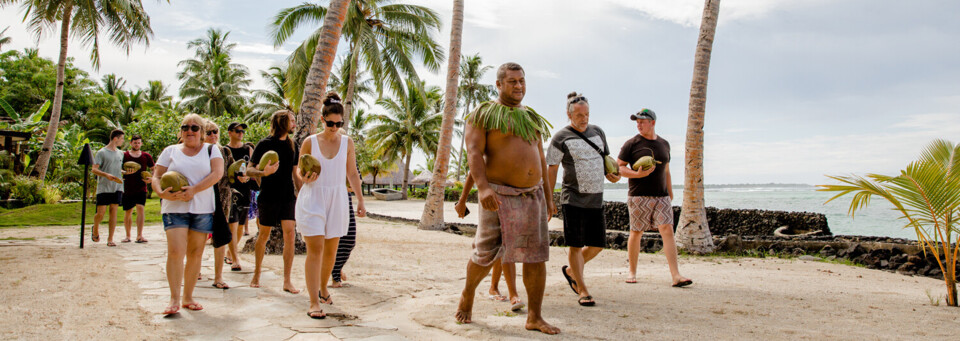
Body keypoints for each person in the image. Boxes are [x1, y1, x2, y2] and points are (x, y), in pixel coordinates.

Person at [455, 62, 560, 335]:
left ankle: (534, 317)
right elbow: (474, 153)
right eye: (512, 81)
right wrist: (483, 188)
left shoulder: (531, 117)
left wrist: (549, 197)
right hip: (499, 194)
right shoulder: (483, 114)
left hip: (533, 194)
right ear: (499, 84)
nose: (519, 86)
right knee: (486, 254)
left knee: (536, 257)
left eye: (522, 81)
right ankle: (468, 294)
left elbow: (540, 157)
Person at [295, 92, 366, 319]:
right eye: (330, 123)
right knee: (315, 250)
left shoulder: (347, 143)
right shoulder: (310, 142)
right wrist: (303, 177)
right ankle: (314, 302)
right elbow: (299, 168)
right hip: (313, 197)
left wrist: (361, 200)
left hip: (337, 199)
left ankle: (323, 288)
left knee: (331, 253)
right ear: (323, 120)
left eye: (339, 124)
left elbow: (352, 173)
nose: (334, 127)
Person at [546, 92, 621, 306]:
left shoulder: (598, 132)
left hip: (596, 199)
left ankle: (571, 271)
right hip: (573, 199)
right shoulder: (561, 137)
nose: (584, 118)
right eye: (579, 115)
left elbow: (606, 161)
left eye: (587, 114)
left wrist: (614, 176)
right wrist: (549, 199)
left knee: (597, 245)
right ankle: (582, 289)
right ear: (569, 114)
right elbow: (551, 169)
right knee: (576, 246)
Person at [153, 113, 224, 315]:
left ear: (201, 132)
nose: (190, 131)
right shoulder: (170, 151)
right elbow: (156, 176)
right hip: (174, 208)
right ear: (181, 131)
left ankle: (188, 297)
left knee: (195, 253)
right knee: (176, 251)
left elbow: (216, 174)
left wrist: (193, 190)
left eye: (194, 128)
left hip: (201, 208)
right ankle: (174, 298)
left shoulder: (212, 150)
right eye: (185, 127)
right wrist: (160, 192)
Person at [617, 108, 693, 287]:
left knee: (667, 229)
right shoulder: (631, 144)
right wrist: (637, 175)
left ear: (653, 123)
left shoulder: (664, 144)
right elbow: (619, 167)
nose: (639, 124)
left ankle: (676, 275)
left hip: (662, 195)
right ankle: (632, 271)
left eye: (642, 121)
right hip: (638, 196)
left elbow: (666, 169)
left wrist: (670, 191)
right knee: (636, 232)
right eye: (637, 121)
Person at [246, 110, 302, 293]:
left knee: (290, 236)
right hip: (268, 195)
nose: (294, 124)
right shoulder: (264, 144)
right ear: (282, 122)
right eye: (292, 121)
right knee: (263, 235)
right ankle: (256, 273)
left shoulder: (293, 145)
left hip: (287, 196)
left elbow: (295, 173)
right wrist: (264, 173)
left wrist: (302, 193)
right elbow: (249, 170)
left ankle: (287, 280)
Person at [454, 172, 524, 311]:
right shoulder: (487, 152)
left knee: (506, 243)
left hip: (512, 195)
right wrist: (462, 200)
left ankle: (503, 291)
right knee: (489, 246)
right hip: (490, 194)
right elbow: (473, 171)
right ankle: (470, 291)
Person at [203, 121, 240, 289]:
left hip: (223, 198)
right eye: (209, 132)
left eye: (215, 131)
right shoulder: (197, 152)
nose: (213, 135)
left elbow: (235, 172)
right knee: (199, 236)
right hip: (202, 197)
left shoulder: (225, 151)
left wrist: (243, 176)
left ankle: (218, 277)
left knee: (221, 236)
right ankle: (195, 270)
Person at [224, 122, 253, 271]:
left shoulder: (248, 149)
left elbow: (253, 167)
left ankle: (230, 252)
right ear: (230, 132)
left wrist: (247, 176)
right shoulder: (224, 150)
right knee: (232, 225)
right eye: (237, 131)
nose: (240, 133)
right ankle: (235, 259)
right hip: (230, 191)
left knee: (241, 226)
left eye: (242, 131)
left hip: (245, 190)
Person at [330, 128, 357, 289]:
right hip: (329, 200)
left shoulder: (348, 155)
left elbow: (356, 178)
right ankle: (334, 276)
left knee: (349, 240)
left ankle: (337, 269)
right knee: (332, 240)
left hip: (345, 201)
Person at [91, 129, 126, 247]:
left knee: (114, 211)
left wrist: (124, 172)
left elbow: (116, 168)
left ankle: (110, 238)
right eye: (122, 139)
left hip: (117, 186)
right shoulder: (101, 152)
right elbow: (94, 169)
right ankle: (95, 228)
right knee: (101, 213)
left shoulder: (121, 153)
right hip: (104, 186)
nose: (123, 141)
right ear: (115, 138)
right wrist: (106, 175)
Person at [122, 134, 154, 244]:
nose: (137, 144)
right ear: (131, 143)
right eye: (135, 142)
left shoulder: (146, 156)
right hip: (128, 188)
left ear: (141, 144)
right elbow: (118, 169)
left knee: (140, 209)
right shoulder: (124, 155)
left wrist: (152, 179)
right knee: (128, 212)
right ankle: (127, 236)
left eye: (139, 142)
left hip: (141, 187)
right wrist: (125, 173)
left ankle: (140, 235)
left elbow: (154, 169)